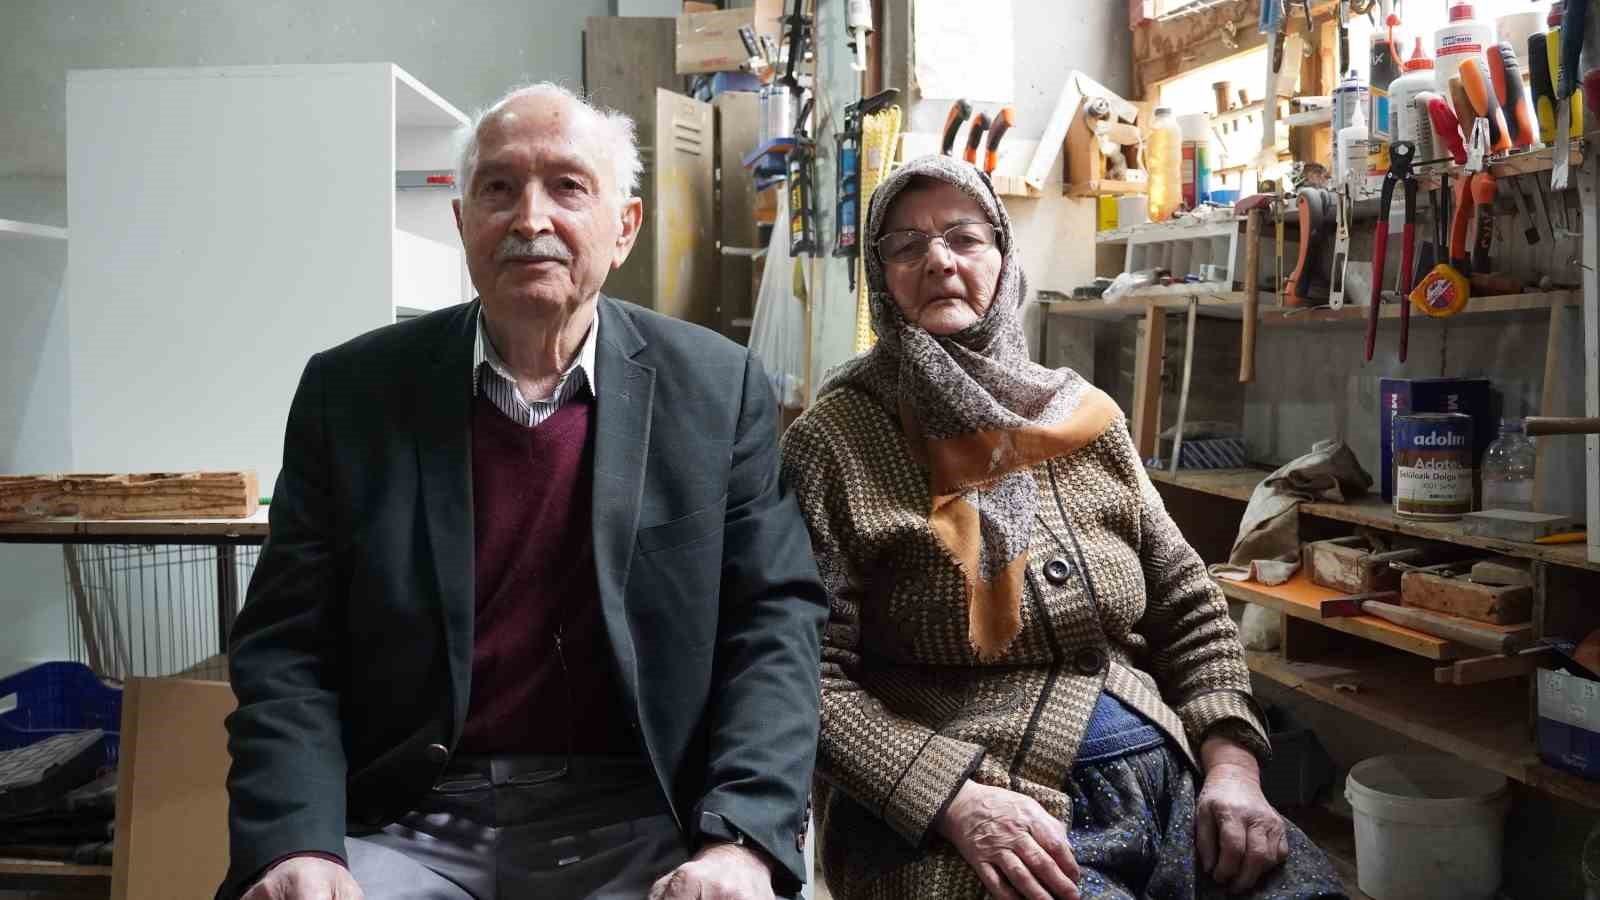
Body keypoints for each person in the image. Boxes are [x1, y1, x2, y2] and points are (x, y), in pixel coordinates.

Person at [219, 82, 827, 900]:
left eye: (567, 187)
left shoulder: (717, 390)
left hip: (642, 815)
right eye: (499, 188)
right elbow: (288, 648)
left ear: (625, 227)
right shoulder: (351, 394)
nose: (530, 218)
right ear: (462, 221)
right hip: (406, 818)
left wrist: (741, 839)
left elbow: (773, 626)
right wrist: (298, 843)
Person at [779, 154, 1346, 900]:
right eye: (906, 246)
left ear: (1004, 258)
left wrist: (1233, 767)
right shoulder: (835, 441)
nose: (939, 261)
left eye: (964, 238)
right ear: (880, 277)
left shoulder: (1083, 418)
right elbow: (801, 676)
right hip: (975, 814)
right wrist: (953, 800)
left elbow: (1188, 604)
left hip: (1167, 783)